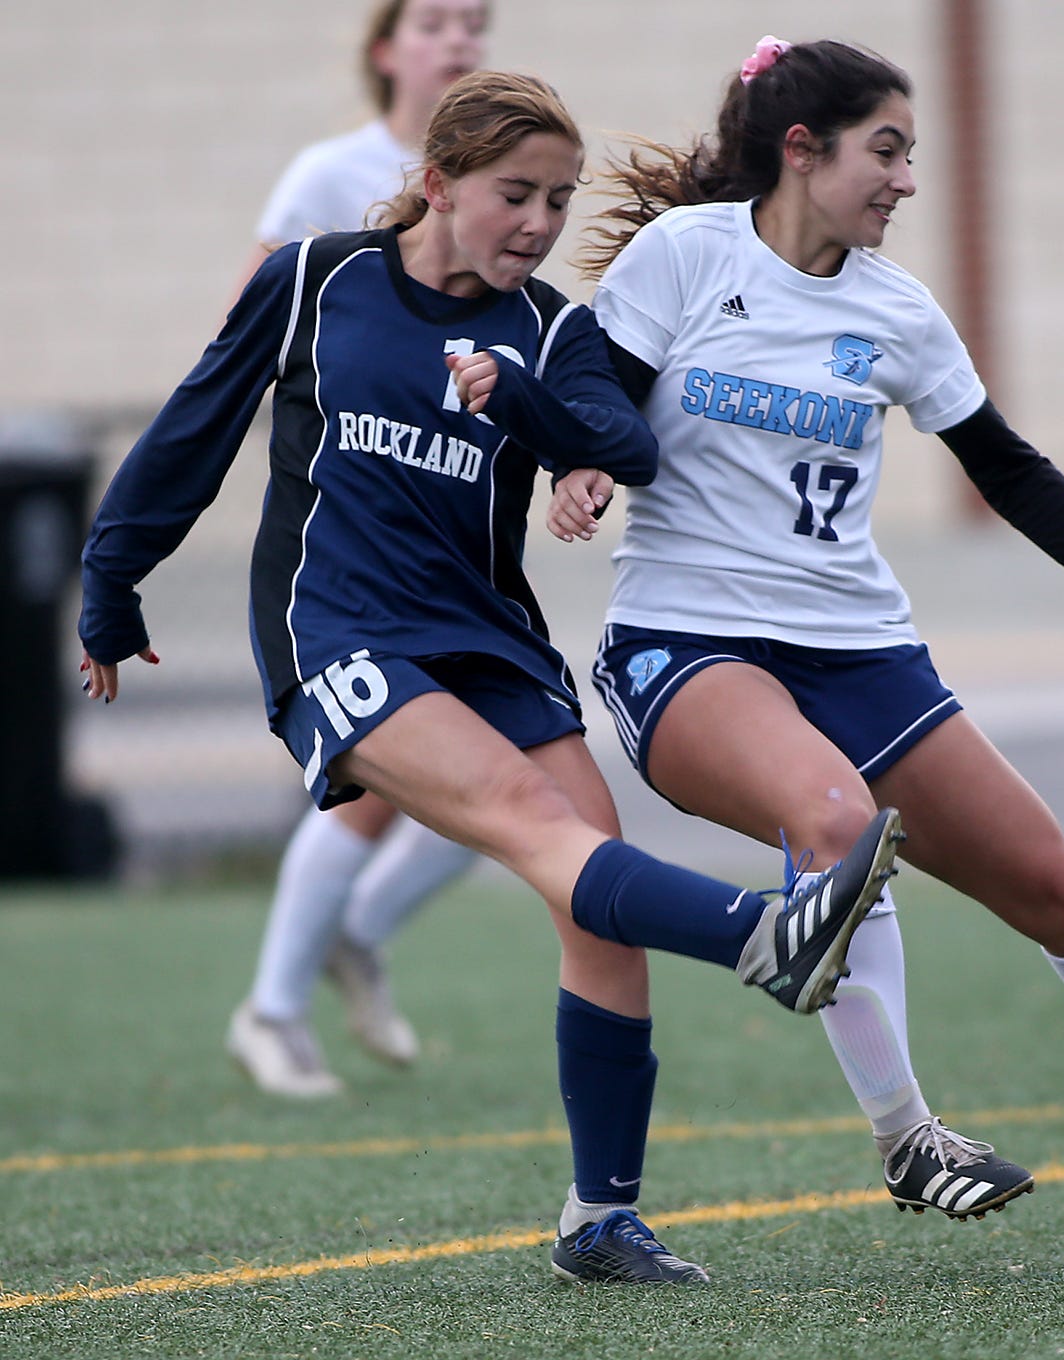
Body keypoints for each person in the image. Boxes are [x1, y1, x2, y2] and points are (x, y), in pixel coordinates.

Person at [79, 70, 905, 1286]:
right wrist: (111, 578)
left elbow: (625, 441)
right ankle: (763, 939)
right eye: (514, 194)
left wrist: (533, 415)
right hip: (342, 635)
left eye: (559, 202)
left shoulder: (547, 328)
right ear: (435, 183)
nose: (537, 223)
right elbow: (190, 431)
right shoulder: (314, 283)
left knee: (594, 888)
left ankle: (600, 1217)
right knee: (532, 827)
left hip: (489, 636)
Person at [551, 35, 1064, 1255]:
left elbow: (1005, 467)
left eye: (913, 155)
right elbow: (591, 381)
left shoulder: (895, 311)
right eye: (885, 151)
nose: (905, 181)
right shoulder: (688, 256)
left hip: (860, 653)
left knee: (1057, 889)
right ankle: (907, 1137)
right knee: (831, 819)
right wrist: (585, 461)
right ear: (800, 150)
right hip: (687, 644)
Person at [227, 0, 497, 1098]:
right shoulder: (330, 173)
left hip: (451, 529)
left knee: (502, 774)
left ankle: (350, 936)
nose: (459, 39)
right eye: (435, 21)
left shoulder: (496, 179)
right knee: (378, 774)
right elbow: (245, 330)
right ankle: (274, 1009)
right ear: (386, 48)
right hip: (351, 533)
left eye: (475, 22)